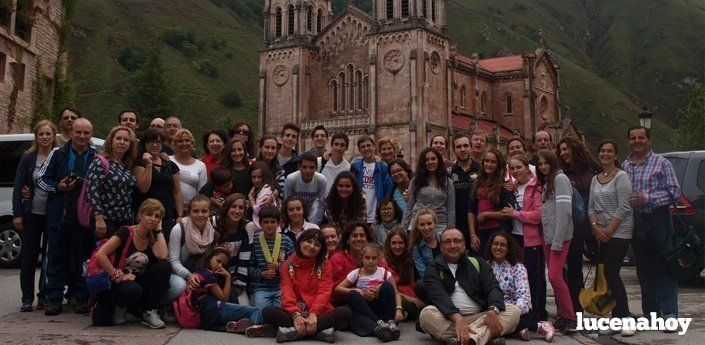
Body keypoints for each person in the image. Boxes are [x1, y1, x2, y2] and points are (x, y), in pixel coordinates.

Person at [418, 228, 521, 345]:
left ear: (464, 245)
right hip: (448, 318)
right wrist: (458, 319)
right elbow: (438, 296)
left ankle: (464, 340)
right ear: (441, 247)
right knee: (426, 314)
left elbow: (493, 287)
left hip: (480, 316)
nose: (452, 245)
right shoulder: (433, 269)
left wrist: (493, 310)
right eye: (447, 242)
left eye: (457, 241)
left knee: (514, 311)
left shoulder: (478, 263)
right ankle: (481, 337)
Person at [38, 117, 97, 315]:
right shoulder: (58, 153)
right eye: (78, 132)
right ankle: (53, 299)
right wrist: (59, 187)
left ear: (91, 135)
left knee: (81, 259)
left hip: (83, 217)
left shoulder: (96, 156)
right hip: (59, 216)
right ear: (71, 133)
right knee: (56, 258)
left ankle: (81, 298)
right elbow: (42, 180)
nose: (82, 136)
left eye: (86, 133)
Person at [622, 126, 680, 320]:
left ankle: (669, 313)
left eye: (641, 138)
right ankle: (650, 314)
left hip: (658, 220)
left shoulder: (661, 163)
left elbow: (674, 192)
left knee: (665, 266)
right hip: (636, 222)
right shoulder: (625, 165)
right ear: (628, 142)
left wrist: (647, 198)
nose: (637, 141)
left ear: (649, 141)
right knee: (644, 270)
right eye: (633, 138)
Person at [260, 229, 352, 342]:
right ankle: (318, 332)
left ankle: (294, 332)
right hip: (295, 312)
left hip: (318, 313)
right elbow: (286, 290)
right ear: (300, 242)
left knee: (345, 312)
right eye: (308, 241)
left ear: (321, 250)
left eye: (317, 245)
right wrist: (295, 314)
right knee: (267, 311)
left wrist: (313, 314)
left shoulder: (324, 264)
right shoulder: (287, 265)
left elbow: (324, 291)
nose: (312, 246)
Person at [93, 199, 170, 328]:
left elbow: (162, 256)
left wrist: (159, 230)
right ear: (140, 215)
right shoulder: (126, 231)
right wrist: (118, 275)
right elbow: (101, 254)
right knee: (132, 289)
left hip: (139, 280)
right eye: (149, 214)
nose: (153, 219)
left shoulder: (153, 236)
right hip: (119, 281)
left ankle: (149, 311)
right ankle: (119, 307)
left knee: (165, 266)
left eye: (157, 216)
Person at [588, 140, 635, 337]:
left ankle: (625, 319)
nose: (606, 154)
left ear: (616, 156)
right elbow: (590, 207)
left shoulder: (621, 176)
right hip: (601, 233)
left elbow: (624, 206)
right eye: (603, 151)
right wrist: (595, 228)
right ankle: (615, 318)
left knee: (612, 272)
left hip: (619, 232)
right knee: (607, 275)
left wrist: (608, 230)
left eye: (610, 151)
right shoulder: (595, 179)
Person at [13, 120, 57, 311]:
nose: (45, 137)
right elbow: (18, 185)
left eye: (48, 134)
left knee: (49, 257)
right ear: (36, 136)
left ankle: (44, 295)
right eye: (42, 134)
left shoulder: (58, 156)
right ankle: (26, 297)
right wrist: (17, 213)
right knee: (29, 257)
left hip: (52, 214)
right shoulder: (28, 158)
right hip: (31, 213)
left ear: (54, 136)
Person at [484, 232, 554, 342]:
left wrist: (508, 312)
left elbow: (524, 299)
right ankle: (518, 330)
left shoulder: (518, 268)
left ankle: (538, 327)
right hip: (492, 308)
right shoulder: (486, 266)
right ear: (490, 246)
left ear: (509, 248)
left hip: (515, 311)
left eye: (502, 245)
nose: (498, 248)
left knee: (492, 323)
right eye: (495, 244)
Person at [557, 135, 600, 313]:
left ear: (576, 148)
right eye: (561, 151)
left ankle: (608, 306)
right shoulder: (562, 173)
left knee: (604, 267)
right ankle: (577, 309)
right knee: (575, 270)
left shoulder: (593, 168)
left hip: (594, 225)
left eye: (566, 149)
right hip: (573, 228)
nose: (563, 153)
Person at [502, 155, 547, 322]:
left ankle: (538, 314)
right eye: (512, 169)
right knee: (519, 279)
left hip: (532, 239)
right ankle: (524, 314)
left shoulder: (536, 186)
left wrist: (514, 213)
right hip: (516, 237)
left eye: (518, 167)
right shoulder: (513, 187)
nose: (515, 171)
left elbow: (537, 216)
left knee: (534, 278)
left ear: (527, 167)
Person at [536, 149, 576, 331]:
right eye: (540, 164)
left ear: (553, 162)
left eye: (546, 163)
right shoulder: (547, 181)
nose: (543, 167)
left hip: (559, 236)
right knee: (554, 277)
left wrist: (558, 241)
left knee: (555, 276)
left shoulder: (560, 179)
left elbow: (565, 211)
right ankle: (562, 315)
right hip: (548, 236)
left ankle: (570, 316)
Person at [187, 247, 265, 333]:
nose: (220, 266)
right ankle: (256, 328)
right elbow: (224, 298)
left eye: (223, 265)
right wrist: (228, 276)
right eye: (218, 261)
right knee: (255, 310)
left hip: (206, 316)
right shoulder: (207, 274)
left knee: (246, 314)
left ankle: (238, 326)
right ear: (209, 258)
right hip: (214, 309)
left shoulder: (199, 272)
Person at [335, 243, 403, 341]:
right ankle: (378, 323)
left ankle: (390, 322)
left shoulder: (384, 273)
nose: (370, 261)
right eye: (367, 258)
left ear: (378, 259)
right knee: (353, 295)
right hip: (365, 309)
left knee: (387, 286)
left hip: (380, 307)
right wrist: (359, 291)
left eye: (374, 258)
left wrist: (399, 309)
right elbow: (338, 288)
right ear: (361, 259)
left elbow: (396, 293)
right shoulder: (357, 273)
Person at [87, 126, 138, 239]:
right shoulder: (100, 161)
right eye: (118, 138)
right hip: (105, 220)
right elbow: (92, 190)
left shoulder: (128, 165)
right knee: (104, 254)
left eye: (126, 140)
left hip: (125, 219)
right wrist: (99, 218)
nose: (122, 142)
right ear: (111, 141)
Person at [166, 195, 220, 302]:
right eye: (195, 211)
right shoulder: (179, 229)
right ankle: (162, 306)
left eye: (204, 211)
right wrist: (188, 275)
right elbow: (173, 261)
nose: (200, 215)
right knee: (180, 285)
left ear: (210, 213)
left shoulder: (214, 235)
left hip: (198, 271)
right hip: (177, 272)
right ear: (189, 213)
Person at [133, 128, 183, 241]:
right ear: (145, 144)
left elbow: (177, 191)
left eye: (158, 142)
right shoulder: (139, 163)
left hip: (167, 215)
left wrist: (179, 215)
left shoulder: (169, 164)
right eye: (151, 142)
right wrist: (149, 165)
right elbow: (143, 188)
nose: (155, 145)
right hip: (147, 215)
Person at [328, 223, 390, 305]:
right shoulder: (338, 258)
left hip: (375, 299)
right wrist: (362, 292)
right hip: (347, 303)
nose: (358, 238)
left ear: (367, 239)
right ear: (348, 239)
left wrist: (377, 288)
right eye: (354, 235)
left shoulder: (375, 257)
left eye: (362, 235)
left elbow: (389, 277)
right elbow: (334, 289)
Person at [248, 205, 295, 309]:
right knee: (262, 312)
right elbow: (249, 267)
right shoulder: (254, 242)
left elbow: (294, 266)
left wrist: (279, 267)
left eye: (273, 222)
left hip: (281, 287)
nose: (269, 225)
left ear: (278, 223)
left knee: (283, 311)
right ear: (260, 223)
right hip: (260, 288)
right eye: (265, 222)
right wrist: (261, 273)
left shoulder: (286, 241)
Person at [469, 148, 514, 254]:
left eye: (493, 162)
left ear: (499, 165)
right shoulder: (477, 184)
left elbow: (508, 213)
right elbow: (471, 210)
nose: (489, 164)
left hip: (498, 231)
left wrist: (486, 214)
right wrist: (473, 235)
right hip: (480, 232)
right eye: (487, 161)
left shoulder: (505, 185)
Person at [402, 148, 455, 234]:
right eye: (427, 160)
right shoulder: (416, 181)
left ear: (439, 160)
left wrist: (451, 229)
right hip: (418, 224)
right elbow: (409, 205)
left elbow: (451, 208)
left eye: (433, 159)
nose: (430, 162)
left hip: (440, 225)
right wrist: (403, 227)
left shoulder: (448, 182)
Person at [215, 194, 252, 304]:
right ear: (226, 207)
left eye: (241, 208)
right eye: (233, 206)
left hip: (236, 277)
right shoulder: (214, 223)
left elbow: (244, 260)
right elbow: (209, 256)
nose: (237, 211)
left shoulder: (247, 226)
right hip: (215, 276)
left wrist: (239, 286)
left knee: (244, 308)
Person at [350, 135, 393, 225]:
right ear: (359, 150)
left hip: (377, 216)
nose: (366, 148)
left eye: (368, 145)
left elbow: (387, 191)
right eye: (363, 147)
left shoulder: (382, 167)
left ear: (374, 146)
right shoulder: (355, 166)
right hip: (360, 215)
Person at [449, 133, 481, 247]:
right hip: (456, 225)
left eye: (465, 146)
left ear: (471, 147)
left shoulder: (481, 170)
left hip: (478, 226)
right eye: (458, 147)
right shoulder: (449, 172)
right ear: (453, 150)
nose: (462, 149)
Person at [384, 228, 423, 320]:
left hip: (406, 292)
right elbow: (389, 290)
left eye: (401, 243)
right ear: (389, 244)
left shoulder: (408, 259)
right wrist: (413, 300)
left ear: (406, 244)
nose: (397, 246)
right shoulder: (383, 261)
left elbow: (412, 284)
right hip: (393, 295)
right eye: (393, 243)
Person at [284, 152, 327, 224]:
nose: (308, 171)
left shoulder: (321, 180)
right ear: (299, 167)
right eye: (304, 167)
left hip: (311, 211)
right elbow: (286, 202)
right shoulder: (291, 179)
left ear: (316, 168)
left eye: (311, 167)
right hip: (294, 211)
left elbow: (321, 205)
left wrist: (315, 225)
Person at [170, 128, 208, 212]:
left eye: (187, 140)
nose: (184, 143)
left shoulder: (200, 165)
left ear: (192, 143)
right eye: (180, 141)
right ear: (175, 143)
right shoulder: (168, 160)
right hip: (169, 208)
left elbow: (201, 191)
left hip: (191, 210)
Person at [410, 208, 441, 280]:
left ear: (435, 224)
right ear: (418, 227)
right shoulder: (417, 248)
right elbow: (423, 273)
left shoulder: (444, 239)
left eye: (429, 223)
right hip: (431, 282)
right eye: (422, 224)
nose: (426, 228)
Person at [248, 161, 280, 231]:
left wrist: (250, 198)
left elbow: (258, 211)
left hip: (266, 231)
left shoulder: (266, 190)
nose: (256, 180)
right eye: (253, 177)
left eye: (259, 177)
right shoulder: (259, 189)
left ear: (265, 176)